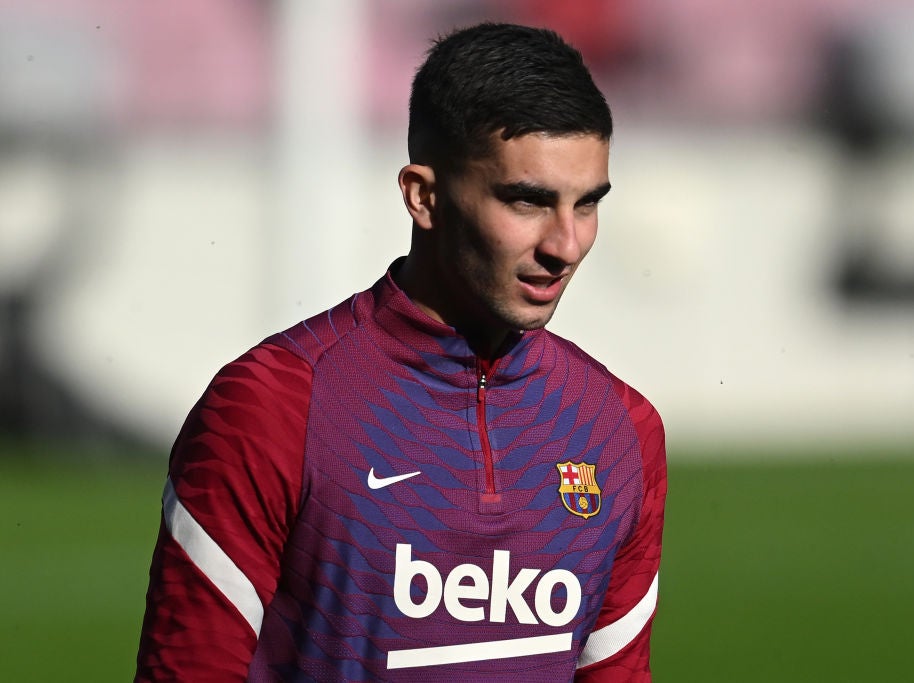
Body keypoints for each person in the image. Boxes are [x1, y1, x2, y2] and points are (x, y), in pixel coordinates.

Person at [136, 22, 666, 682]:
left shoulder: (619, 430)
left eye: (586, 204)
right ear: (424, 195)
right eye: (527, 201)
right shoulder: (272, 407)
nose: (566, 244)